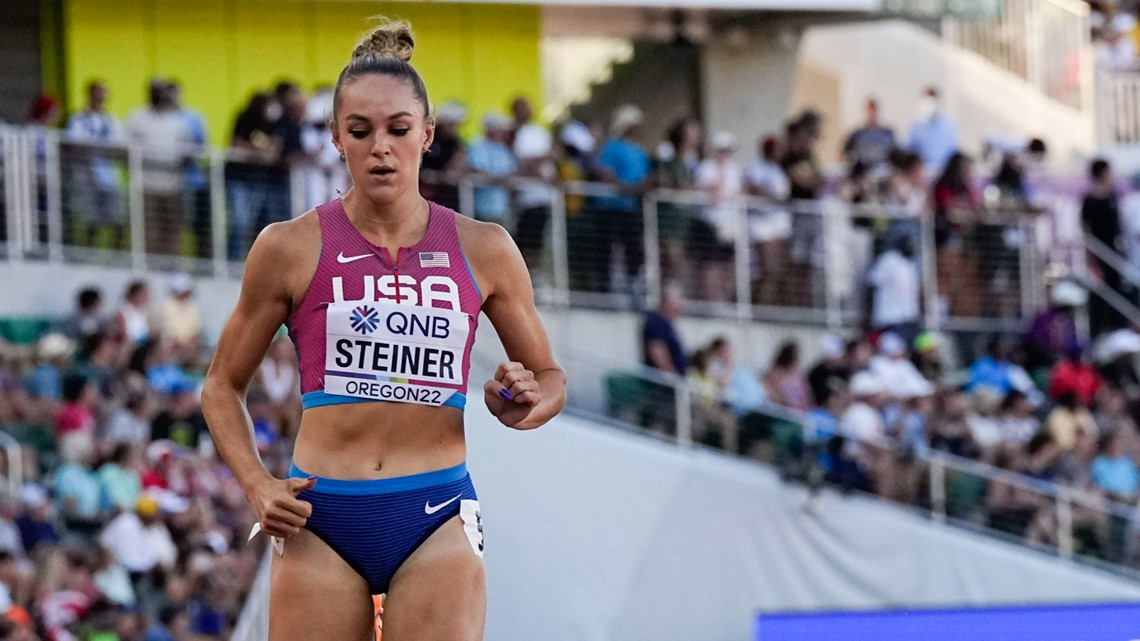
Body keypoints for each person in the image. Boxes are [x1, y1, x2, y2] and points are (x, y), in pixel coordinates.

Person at [201, 20, 566, 641]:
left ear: (426, 135)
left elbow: (551, 378)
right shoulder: (289, 247)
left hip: (436, 511)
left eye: (399, 131)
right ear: (336, 138)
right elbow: (220, 388)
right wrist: (258, 485)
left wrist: (522, 403)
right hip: (321, 515)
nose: (381, 148)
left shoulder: (485, 248)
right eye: (361, 132)